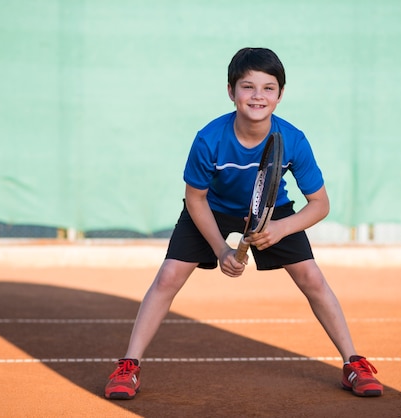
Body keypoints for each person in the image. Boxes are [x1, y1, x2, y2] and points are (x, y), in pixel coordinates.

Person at [104, 47, 383, 400]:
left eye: (268, 88)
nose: (258, 96)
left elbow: (320, 205)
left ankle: (353, 364)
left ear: (280, 95)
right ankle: (129, 367)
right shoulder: (209, 138)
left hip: (272, 210)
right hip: (213, 208)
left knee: (312, 278)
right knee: (168, 277)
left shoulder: (293, 139)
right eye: (248, 87)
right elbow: (195, 199)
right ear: (231, 91)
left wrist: (280, 228)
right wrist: (221, 249)